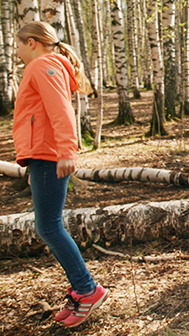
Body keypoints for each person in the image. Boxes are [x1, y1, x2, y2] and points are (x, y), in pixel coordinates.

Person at [12, 21, 108, 328]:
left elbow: (61, 110)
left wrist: (67, 151)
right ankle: (82, 288)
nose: (16, 50)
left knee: (49, 227)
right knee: (47, 226)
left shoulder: (43, 65)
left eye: (18, 44)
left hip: (49, 154)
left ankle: (86, 289)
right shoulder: (45, 65)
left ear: (32, 43)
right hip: (41, 155)